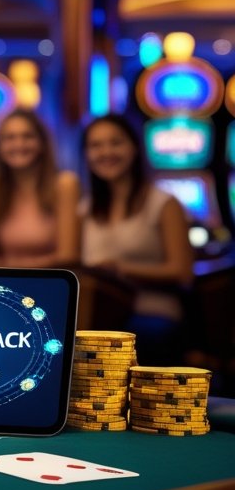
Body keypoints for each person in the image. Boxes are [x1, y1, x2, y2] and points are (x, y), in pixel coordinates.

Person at [80, 114, 193, 362]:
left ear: (134, 147)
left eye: (115, 142)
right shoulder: (85, 208)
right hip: (98, 313)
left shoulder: (164, 203)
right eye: (96, 145)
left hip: (152, 310)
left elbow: (182, 271)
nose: (106, 152)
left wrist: (120, 268)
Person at [0, 109, 80, 268]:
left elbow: (67, 257)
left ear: (42, 143)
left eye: (28, 136)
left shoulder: (65, 184)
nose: (19, 144)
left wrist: (8, 266)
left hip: (47, 280)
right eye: (10, 138)